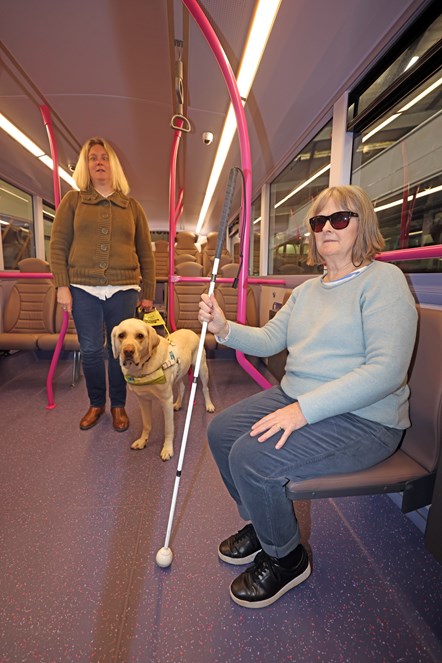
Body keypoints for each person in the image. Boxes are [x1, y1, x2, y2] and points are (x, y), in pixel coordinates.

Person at [198, 185, 418, 609]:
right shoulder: (306, 291)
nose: (327, 228)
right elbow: (267, 340)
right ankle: (266, 526)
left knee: (251, 457)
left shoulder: (383, 281)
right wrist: (225, 327)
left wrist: (303, 410)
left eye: (340, 218)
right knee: (223, 432)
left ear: (363, 225)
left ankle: (286, 558)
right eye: (319, 222)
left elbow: (386, 373)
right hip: (297, 397)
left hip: (366, 419)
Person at [50, 137, 155, 432]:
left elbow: (146, 252)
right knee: (92, 350)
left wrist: (147, 293)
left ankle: (118, 405)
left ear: (113, 165)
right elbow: (58, 245)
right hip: (83, 289)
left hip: (123, 289)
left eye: (104, 157)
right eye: (92, 158)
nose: (99, 162)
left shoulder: (131, 206)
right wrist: (61, 286)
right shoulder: (73, 201)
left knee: (123, 350)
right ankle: (97, 404)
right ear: (86, 166)